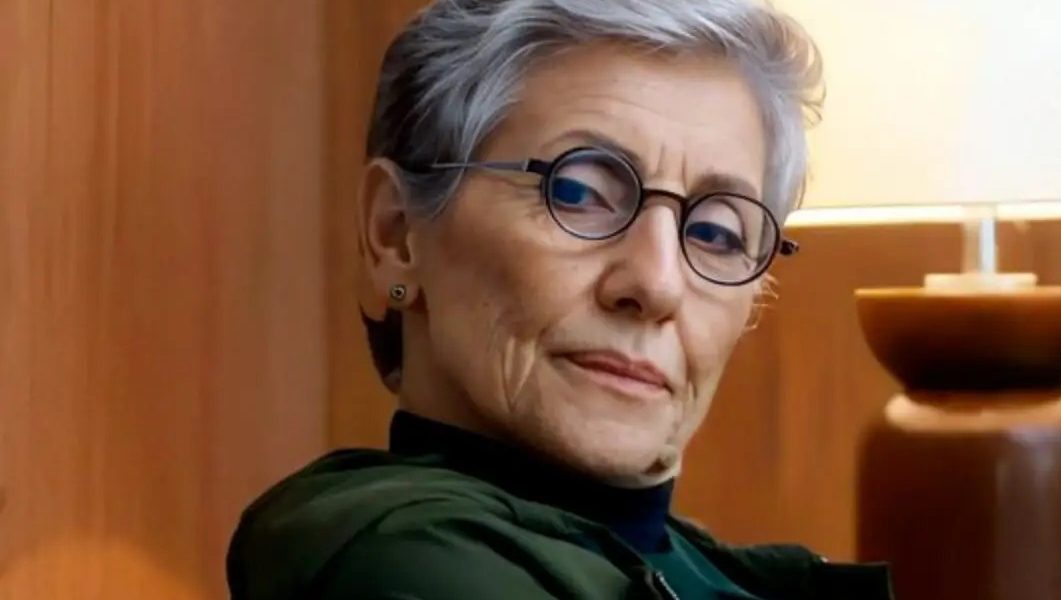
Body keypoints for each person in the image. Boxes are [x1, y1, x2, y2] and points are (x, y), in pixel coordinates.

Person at [227, 0, 892, 598]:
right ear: (396, 235)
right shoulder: (397, 561)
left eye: (716, 232)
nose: (656, 284)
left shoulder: (705, 569)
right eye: (578, 193)